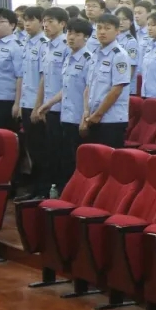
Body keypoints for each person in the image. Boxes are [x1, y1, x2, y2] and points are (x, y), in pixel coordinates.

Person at [26, 7, 69, 199]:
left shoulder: (67, 45)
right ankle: (42, 191)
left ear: (62, 24)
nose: (46, 25)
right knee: (46, 151)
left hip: (63, 108)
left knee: (60, 153)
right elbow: (43, 79)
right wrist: (38, 106)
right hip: (48, 107)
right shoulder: (46, 46)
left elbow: (69, 83)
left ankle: (60, 192)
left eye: (50, 21)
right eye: (44, 21)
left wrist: (48, 105)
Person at [81, 13, 132, 148]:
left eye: (107, 28)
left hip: (111, 119)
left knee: (109, 158)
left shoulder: (119, 55)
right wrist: (86, 113)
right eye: (99, 28)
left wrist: (98, 114)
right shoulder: (95, 54)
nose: (102, 32)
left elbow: (116, 90)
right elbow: (88, 87)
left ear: (117, 31)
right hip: (92, 117)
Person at [57, 18, 93, 191]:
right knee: (65, 158)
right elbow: (66, 88)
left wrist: (85, 118)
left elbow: (89, 90)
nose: (71, 37)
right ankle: (66, 192)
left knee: (78, 160)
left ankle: (78, 193)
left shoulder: (89, 59)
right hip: (66, 115)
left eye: (77, 34)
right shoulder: (68, 57)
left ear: (86, 37)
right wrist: (47, 104)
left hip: (79, 117)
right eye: (69, 33)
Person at [16, 7, 46, 195]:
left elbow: (44, 77)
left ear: (41, 22)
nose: (27, 24)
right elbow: (23, 76)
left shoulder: (44, 44)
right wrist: (20, 103)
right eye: (25, 20)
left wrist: (37, 106)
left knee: (40, 147)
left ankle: (41, 187)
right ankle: (33, 186)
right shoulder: (26, 42)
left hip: (37, 103)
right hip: (26, 102)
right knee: (30, 146)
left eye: (31, 20)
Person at [0, 7, 24, 132]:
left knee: (2, 136)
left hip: (5, 100)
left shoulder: (16, 46)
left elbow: (20, 77)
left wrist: (17, 103)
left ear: (12, 25)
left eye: (1, 22)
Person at [114, 6, 139, 80]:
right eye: (118, 19)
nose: (121, 22)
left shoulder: (131, 41)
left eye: (124, 19)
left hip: (124, 83)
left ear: (131, 22)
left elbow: (131, 67)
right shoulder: (113, 38)